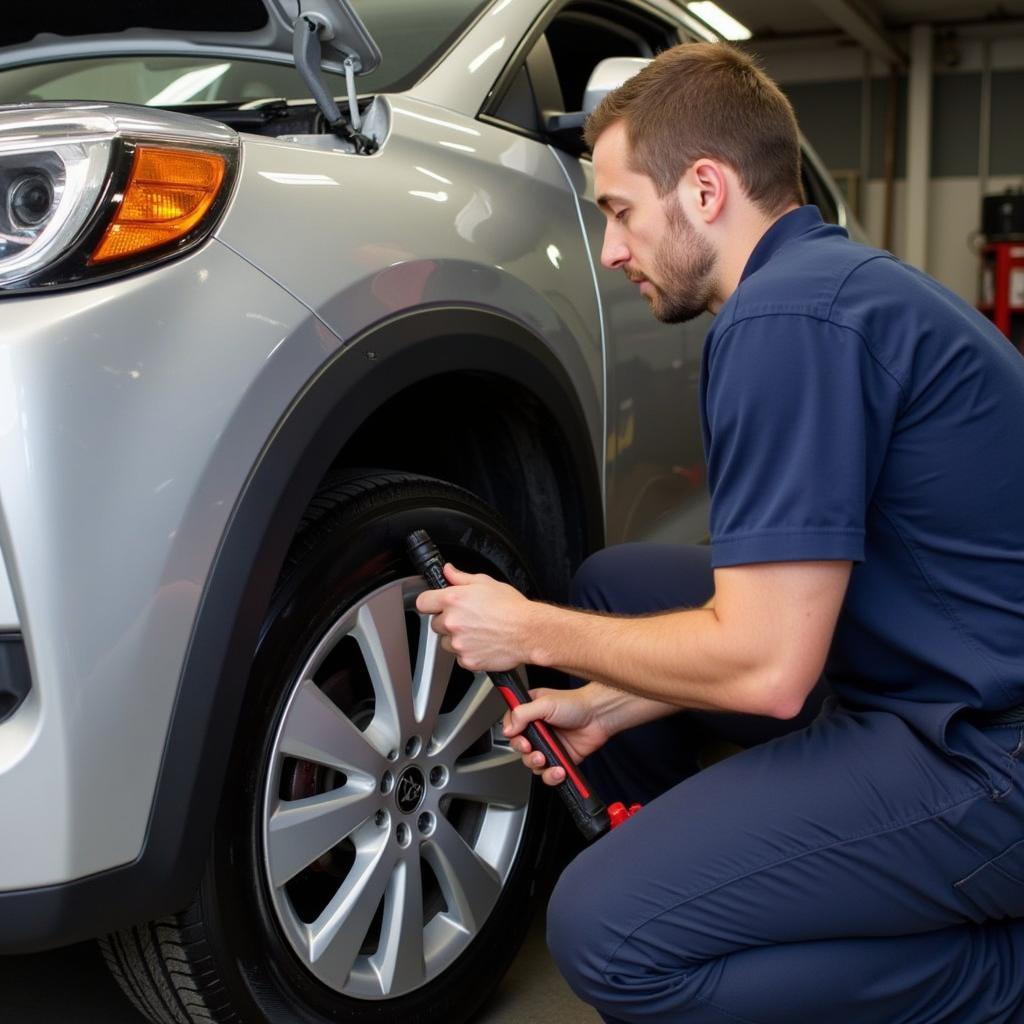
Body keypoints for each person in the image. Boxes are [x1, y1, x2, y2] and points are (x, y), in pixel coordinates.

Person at [415, 41, 1024, 1024]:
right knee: (621, 578)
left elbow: (767, 666)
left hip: (988, 757)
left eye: (618, 210)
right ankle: (718, 873)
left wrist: (526, 630)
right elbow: (796, 608)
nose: (610, 249)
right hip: (934, 672)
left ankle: (994, 978)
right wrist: (612, 704)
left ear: (704, 189)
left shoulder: (787, 320)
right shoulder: (829, 283)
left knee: (604, 933)